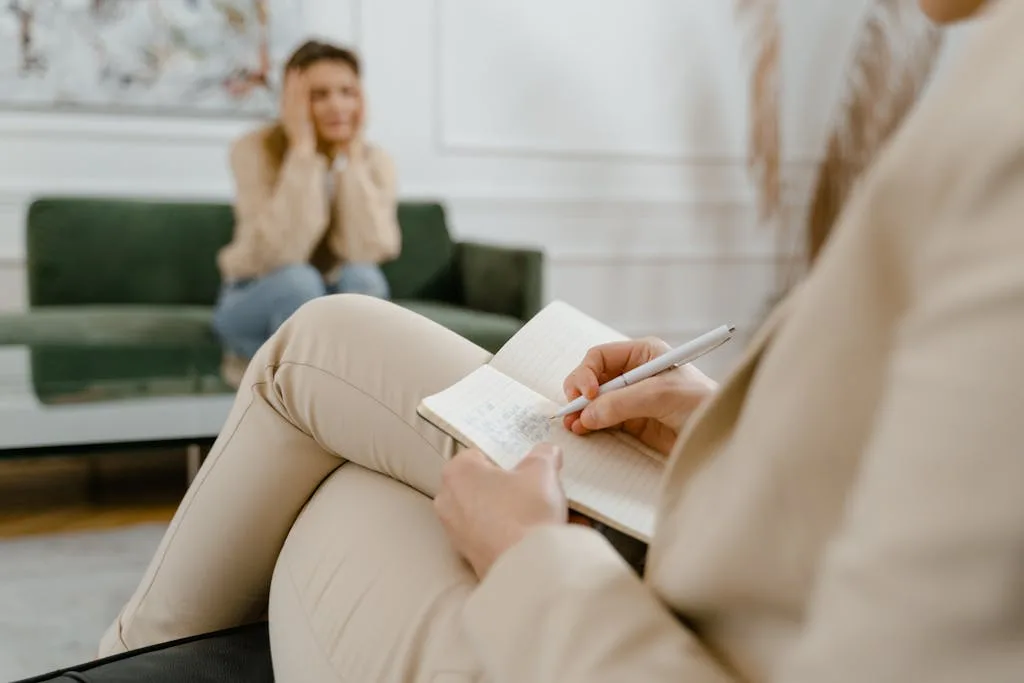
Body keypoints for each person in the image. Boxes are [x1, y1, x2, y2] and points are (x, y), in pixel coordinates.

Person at [100, 1, 1024, 681]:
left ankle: (120, 658)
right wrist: (716, 425)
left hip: (639, 636)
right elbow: (266, 250)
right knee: (316, 318)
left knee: (339, 466)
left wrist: (531, 557)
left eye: (348, 91)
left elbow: (374, 246)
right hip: (713, 553)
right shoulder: (996, 69)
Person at [212, 40, 400, 373]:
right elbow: (281, 252)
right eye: (319, 95)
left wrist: (352, 159)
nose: (337, 106)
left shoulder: (375, 160)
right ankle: (312, 393)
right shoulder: (254, 149)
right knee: (299, 281)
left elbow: (370, 247)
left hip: (327, 299)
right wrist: (302, 153)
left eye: (347, 92)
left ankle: (331, 390)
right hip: (255, 295)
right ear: (291, 102)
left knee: (364, 278)